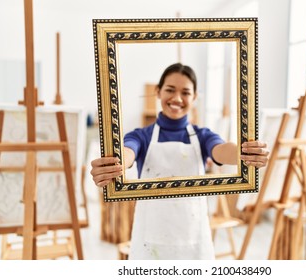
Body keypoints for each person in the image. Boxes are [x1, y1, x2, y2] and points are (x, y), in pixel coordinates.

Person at [90, 63, 269, 260]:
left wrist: (245, 153)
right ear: (158, 92)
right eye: (170, 90)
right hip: (150, 239)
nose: (177, 98)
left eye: (185, 92)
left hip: (193, 238)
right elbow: (127, 153)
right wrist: (113, 164)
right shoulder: (141, 136)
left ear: (195, 97)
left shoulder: (202, 136)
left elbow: (221, 150)